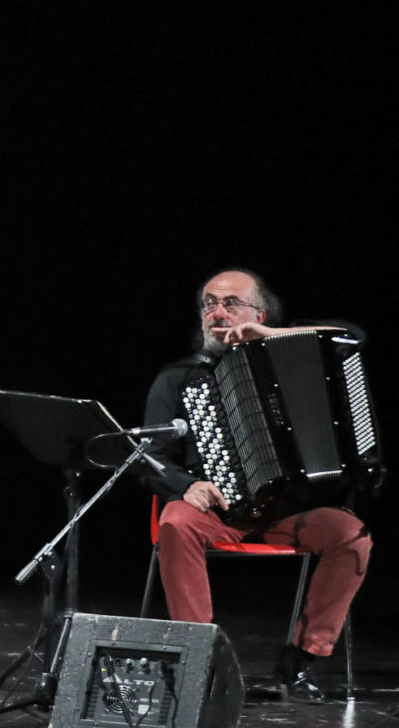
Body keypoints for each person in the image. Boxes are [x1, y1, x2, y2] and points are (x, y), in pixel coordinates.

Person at [143, 268, 373, 702]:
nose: (218, 312)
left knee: (351, 537)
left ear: (258, 313)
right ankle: (199, 660)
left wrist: (271, 335)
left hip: (286, 511)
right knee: (175, 522)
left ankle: (302, 660)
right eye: (209, 303)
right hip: (215, 512)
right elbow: (150, 455)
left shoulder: (290, 361)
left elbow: (353, 336)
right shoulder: (178, 377)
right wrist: (187, 484)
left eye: (231, 303)